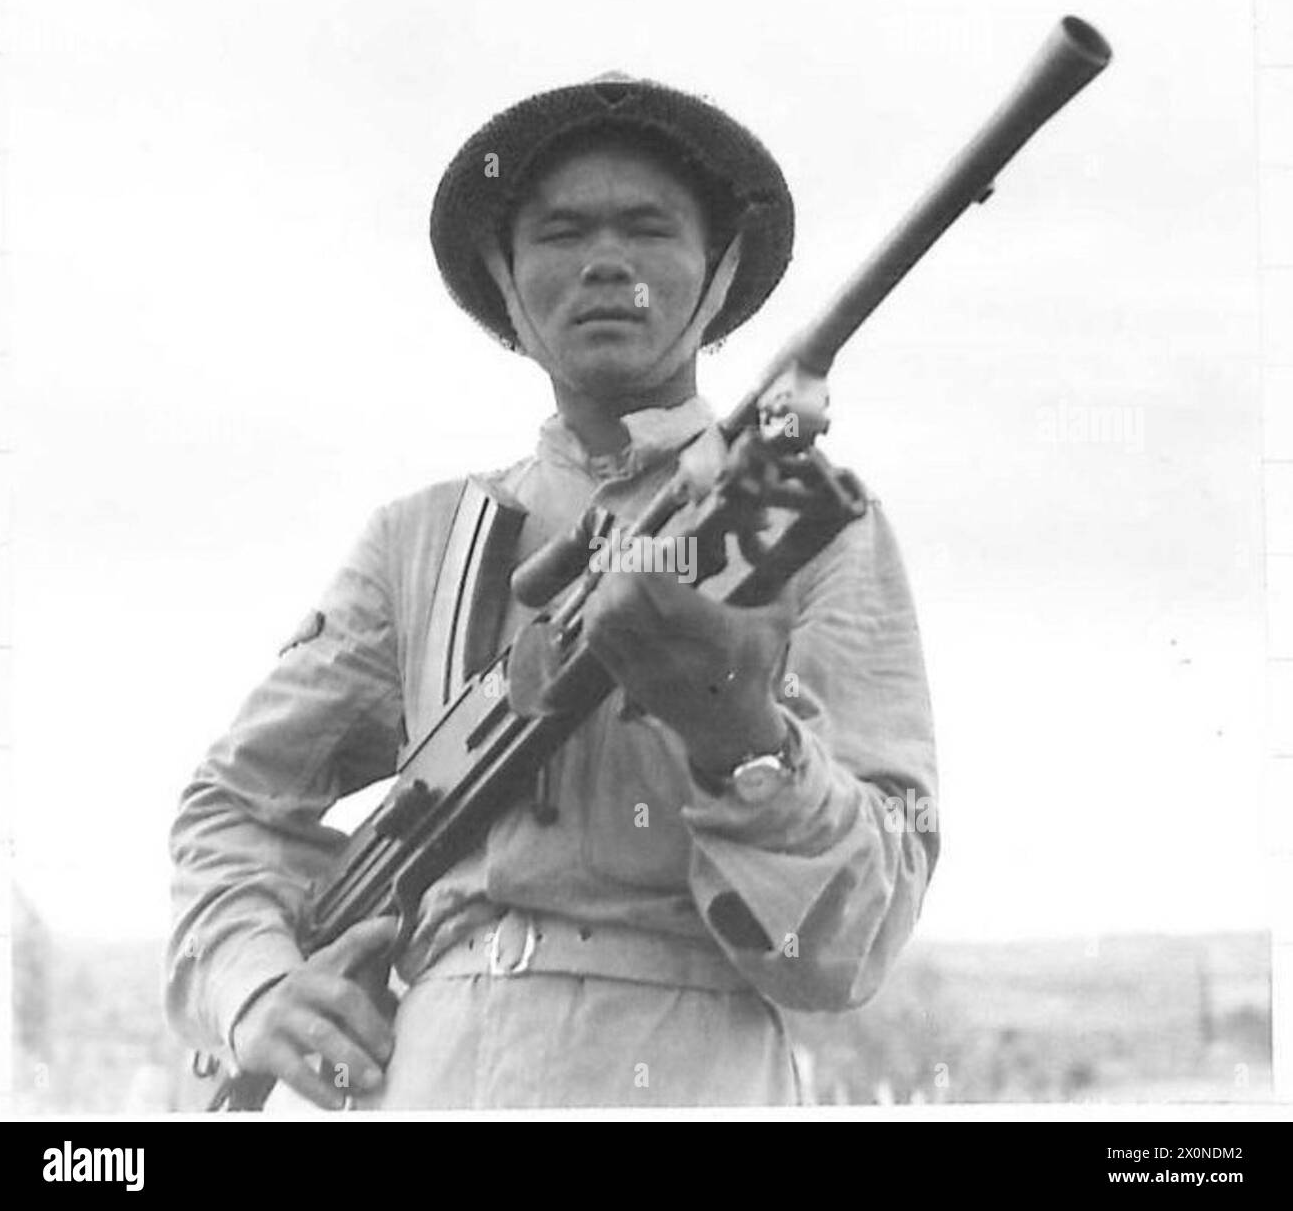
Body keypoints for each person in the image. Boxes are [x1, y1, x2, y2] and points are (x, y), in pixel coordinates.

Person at [166, 72, 939, 1110]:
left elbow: (844, 948)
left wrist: (737, 731)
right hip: (444, 1074)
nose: (607, 261)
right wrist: (256, 986)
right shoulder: (423, 540)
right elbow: (236, 804)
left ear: (717, 275)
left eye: (649, 228)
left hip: (695, 1071)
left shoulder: (805, 527)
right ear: (507, 282)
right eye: (562, 232)